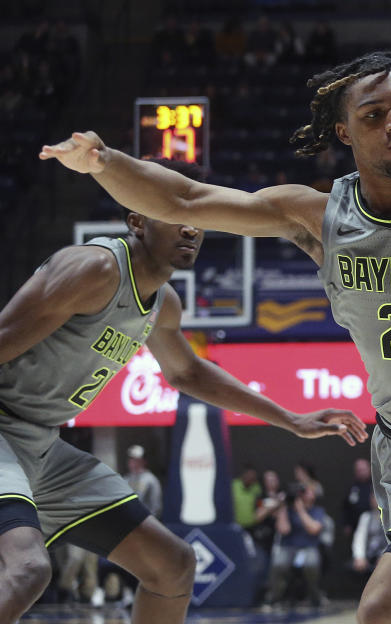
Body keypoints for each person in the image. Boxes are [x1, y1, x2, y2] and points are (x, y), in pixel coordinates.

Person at [41, 53, 391, 624]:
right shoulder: (318, 215)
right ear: (343, 132)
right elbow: (185, 200)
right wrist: (104, 161)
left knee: (380, 608)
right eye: (375, 115)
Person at [0, 159, 367, 624]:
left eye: (196, 219)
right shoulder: (92, 268)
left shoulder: (162, 304)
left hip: (43, 448)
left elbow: (189, 374)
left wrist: (291, 419)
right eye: (174, 216)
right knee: (29, 570)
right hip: (3, 427)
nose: (192, 228)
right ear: (136, 220)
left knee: (173, 566)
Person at [265, 483, 326, 606]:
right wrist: (282, 506)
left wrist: (300, 510)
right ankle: (275, 597)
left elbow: (314, 529)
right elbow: (284, 529)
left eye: (306, 492)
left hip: (308, 547)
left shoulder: (317, 511)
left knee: (311, 564)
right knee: (278, 563)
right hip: (288, 547)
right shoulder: (286, 510)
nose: (304, 495)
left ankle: (314, 596)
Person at [124, 444, 162, 516]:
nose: (134, 463)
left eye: (137, 460)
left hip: (144, 521)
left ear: (144, 461)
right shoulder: (125, 479)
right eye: (132, 460)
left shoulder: (151, 480)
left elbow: (156, 506)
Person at [342, 457, 373, 537]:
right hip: (355, 526)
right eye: (359, 470)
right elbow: (346, 507)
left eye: (363, 469)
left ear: (369, 469)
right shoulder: (352, 488)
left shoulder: (376, 486)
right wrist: (346, 524)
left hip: (373, 524)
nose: (361, 472)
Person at [233, 463, 263, 533]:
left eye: (253, 477)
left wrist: (259, 508)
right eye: (249, 476)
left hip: (252, 526)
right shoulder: (234, 485)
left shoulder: (256, 487)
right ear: (244, 475)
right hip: (236, 525)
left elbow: (259, 503)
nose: (251, 478)